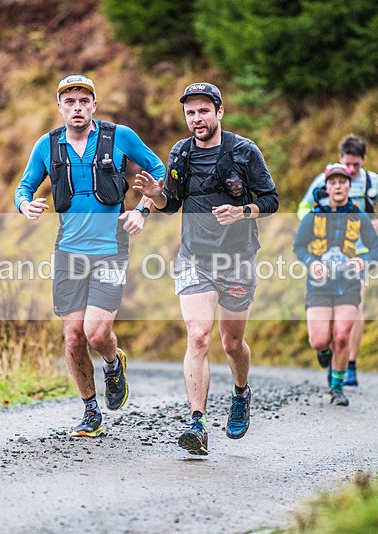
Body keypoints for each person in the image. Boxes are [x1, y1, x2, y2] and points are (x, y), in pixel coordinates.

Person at [14, 74, 165, 437]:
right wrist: (25, 206)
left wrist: (141, 210)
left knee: (97, 334)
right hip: (68, 250)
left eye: (84, 101)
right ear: (60, 107)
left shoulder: (119, 137)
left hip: (111, 248)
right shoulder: (47, 146)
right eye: (70, 102)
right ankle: (90, 410)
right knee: (73, 337)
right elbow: (24, 187)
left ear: (94, 105)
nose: (77, 108)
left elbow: (158, 172)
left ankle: (113, 364)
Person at [133, 82, 279, 455]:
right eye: (190, 112)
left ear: (219, 112)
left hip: (237, 258)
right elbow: (172, 203)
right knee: (198, 336)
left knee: (232, 343)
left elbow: (271, 199)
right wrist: (155, 197)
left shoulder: (244, 152)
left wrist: (241, 211)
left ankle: (241, 393)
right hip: (194, 257)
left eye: (203, 111)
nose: (196, 119)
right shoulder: (180, 153)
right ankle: (196, 423)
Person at [296, 134, 378, 387]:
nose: (350, 171)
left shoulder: (372, 181)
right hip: (325, 255)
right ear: (340, 159)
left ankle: (349, 363)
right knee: (327, 318)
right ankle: (330, 351)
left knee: (356, 305)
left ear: (364, 161)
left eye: (356, 165)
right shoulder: (325, 179)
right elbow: (302, 209)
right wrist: (315, 227)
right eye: (347, 164)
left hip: (358, 252)